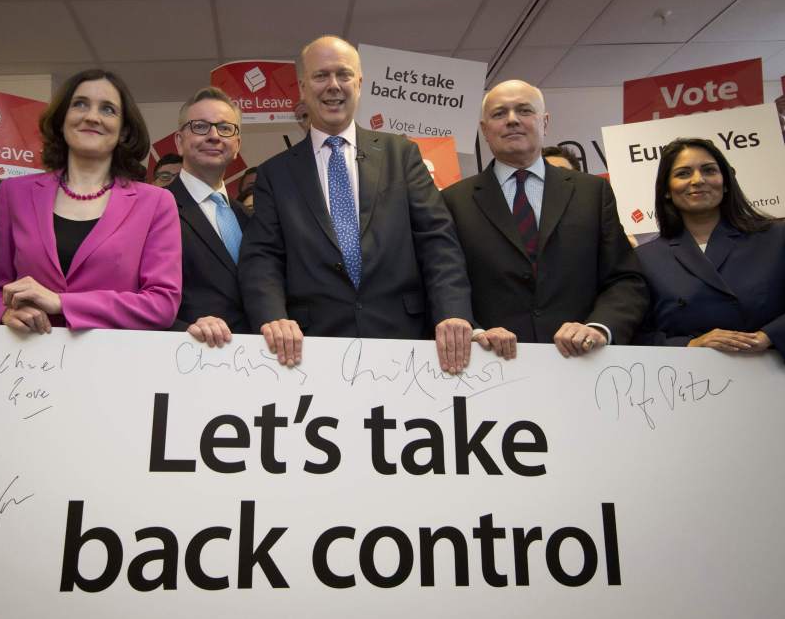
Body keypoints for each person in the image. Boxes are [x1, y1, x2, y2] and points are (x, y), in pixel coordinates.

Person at [240, 36, 476, 372]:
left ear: (360, 84)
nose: (333, 86)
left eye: (344, 75)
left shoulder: (401, 154)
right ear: (303, 88)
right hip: (310, 350)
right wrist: (273, 317)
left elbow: (437, 241)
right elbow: (262, 257)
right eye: (321, 76)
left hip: (406, 341)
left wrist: (453, 312)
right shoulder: (275, 174)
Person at [443, 79, 647, 357]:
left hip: (583, 364)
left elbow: (625, 279)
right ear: (484, 130)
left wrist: (599, 327)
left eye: (524, 110)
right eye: (499, 113)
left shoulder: (592, 192)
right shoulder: (453, 201)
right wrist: (476, 331)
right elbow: (446, 281)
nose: (512, 120)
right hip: (493, 365)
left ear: (545, 122)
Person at [0, 69, 181, 332]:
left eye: (108, 109)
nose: (92, 117)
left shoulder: (156, 202)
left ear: (124, 131)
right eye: (80, 104)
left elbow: (162, 305)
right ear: (62, 119)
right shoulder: (13, 193)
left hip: (113, 364)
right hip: (27, 360)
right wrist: (3, 313)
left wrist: (62, 303)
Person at [635, 137, 784, 355]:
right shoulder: (645, 258)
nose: (698, 180)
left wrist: (770, 336)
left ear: (725, 183)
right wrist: (691, 345)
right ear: (666, 190)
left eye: (709, 170)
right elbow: (637, 336)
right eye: (683, 173)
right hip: (691, 384)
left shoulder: (776, 238)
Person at [169, 86, 250, 344]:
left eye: (225, 128)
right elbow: (138, 293)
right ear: (179, 142)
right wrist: (186, 329)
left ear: (236, 146)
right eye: (200, 127)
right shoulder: (155, 208)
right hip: (187, 356)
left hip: (256, 362)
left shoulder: (250, 218)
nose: (214, 136)